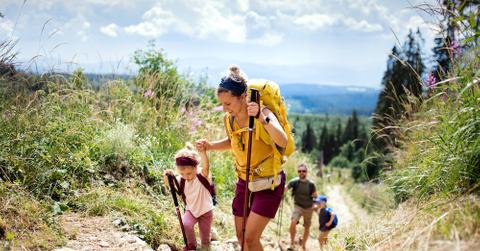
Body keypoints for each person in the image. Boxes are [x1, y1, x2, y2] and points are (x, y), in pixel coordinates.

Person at [196, 65, 288, 251]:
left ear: (243, 96)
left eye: (228, 103)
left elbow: (282, 140)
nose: (224, 108)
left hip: (268, 182)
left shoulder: (264, 113)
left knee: (251, 238)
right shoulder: (229, 119)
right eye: (222, 104)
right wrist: (211, 146)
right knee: (241, 236)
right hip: (244, 181)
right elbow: (234, 141)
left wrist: (261, 117)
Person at [164, 143, 214, 251]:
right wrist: (167, 176)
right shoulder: (181, 180)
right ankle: (191, 245)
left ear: (196, 167)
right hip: (191, 210)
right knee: (186, 224)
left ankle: (206, 245)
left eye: (189, 173)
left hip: (206, 211)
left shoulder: (202, 176)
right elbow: (170, 185)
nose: (186, 176)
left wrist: (203, 153)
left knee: (205, 239)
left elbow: (206, 166)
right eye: (182, 173)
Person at [285, 163, 317, 251]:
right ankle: (291, 243)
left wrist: (315, 205)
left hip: (309, 208)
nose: (301, 172)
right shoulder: (294, 182)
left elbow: (315, 196)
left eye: (303, 171)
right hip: (298, 206)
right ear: (298, 172)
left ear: (307, 172)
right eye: (299, 171)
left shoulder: (311, 184)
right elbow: (285, 189)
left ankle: (303, 246)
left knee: (306, 227)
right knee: (293, 222)